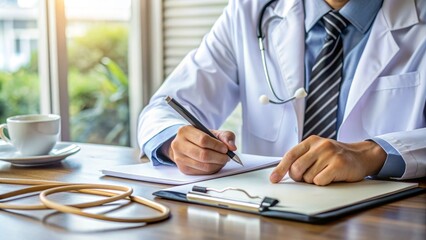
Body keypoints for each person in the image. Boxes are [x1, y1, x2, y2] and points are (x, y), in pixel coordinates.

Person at [138, 0, 426, 186]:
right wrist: (177, 141)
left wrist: (373, 152)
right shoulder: (250, 12)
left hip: (387, 218)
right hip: (267, 211)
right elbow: (164, 109)